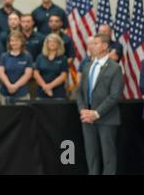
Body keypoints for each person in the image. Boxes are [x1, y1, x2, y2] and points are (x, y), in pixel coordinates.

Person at [76, 33, 124, 175]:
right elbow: (79, 92)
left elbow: (114, 96)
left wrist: (96, 113)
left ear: (104, 46)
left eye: (95, 43)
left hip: (106, 118)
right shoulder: (87, 66)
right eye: (90, 43)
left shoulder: (115, 68)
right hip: (87, 118)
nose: (91, 46)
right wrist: (83, 110)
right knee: (91, 155)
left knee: (108, 155)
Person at [0, 31, 33, 105]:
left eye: (17, 40)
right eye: (12, 41)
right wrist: (9, 86)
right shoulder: (4, 56)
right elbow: (1, 73)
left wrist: (15, 86)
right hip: (5, 93)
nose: (14, 43)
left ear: (22, 42)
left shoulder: (27, 56)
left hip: (21, 93)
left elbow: (28, 75)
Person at [34, 34, 68, 99]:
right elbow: (36, 74)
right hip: (42, 92)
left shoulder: (63, 58)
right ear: (46, 44)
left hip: (58, 93)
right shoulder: (40, 57)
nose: (52, 43)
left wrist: (49, 86)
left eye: (55, 42)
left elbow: (63, 76)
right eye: (50, 41)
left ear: (59, 44)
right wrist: (45, 87)